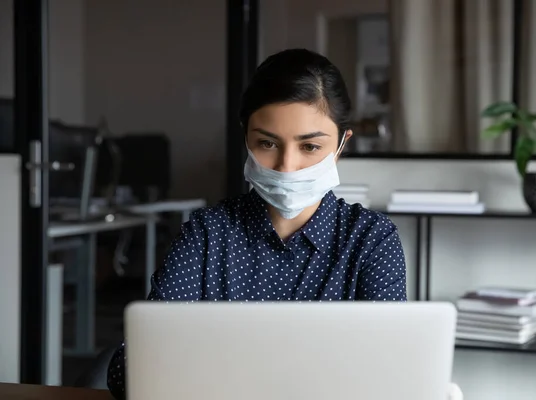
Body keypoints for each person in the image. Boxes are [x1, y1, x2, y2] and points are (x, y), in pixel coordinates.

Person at [106, 48, 407, 399]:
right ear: (245, 136)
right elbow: (130, 368)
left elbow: (388, 372)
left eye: (310, 147)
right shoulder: (207, 235)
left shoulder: (371, 241)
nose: (286, 166)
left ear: (342, 144)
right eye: (267, 143)